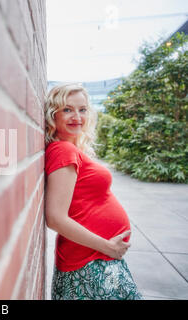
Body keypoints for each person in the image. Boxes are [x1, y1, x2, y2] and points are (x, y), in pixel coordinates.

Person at [44, 83, 143, 300]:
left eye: (82, 109)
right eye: (67, 109)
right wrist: (108, 246)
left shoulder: (70, 149)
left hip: (95, 258)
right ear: (54, 115)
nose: (76, 116)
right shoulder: (63, 150)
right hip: (90, 261)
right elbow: (55, 218)